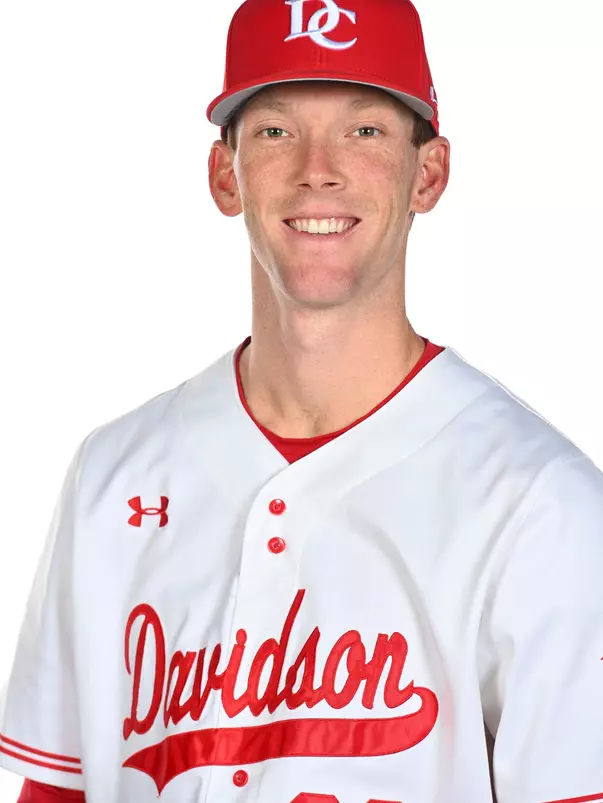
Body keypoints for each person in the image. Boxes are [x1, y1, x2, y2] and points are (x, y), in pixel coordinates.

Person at [2, 0, 603, 801]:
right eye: (276, 131)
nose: (317, 168)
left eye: (365, 131)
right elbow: (57, 792)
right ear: (226, 174)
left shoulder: (541, 502)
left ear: (428, 173)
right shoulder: (110, 476)